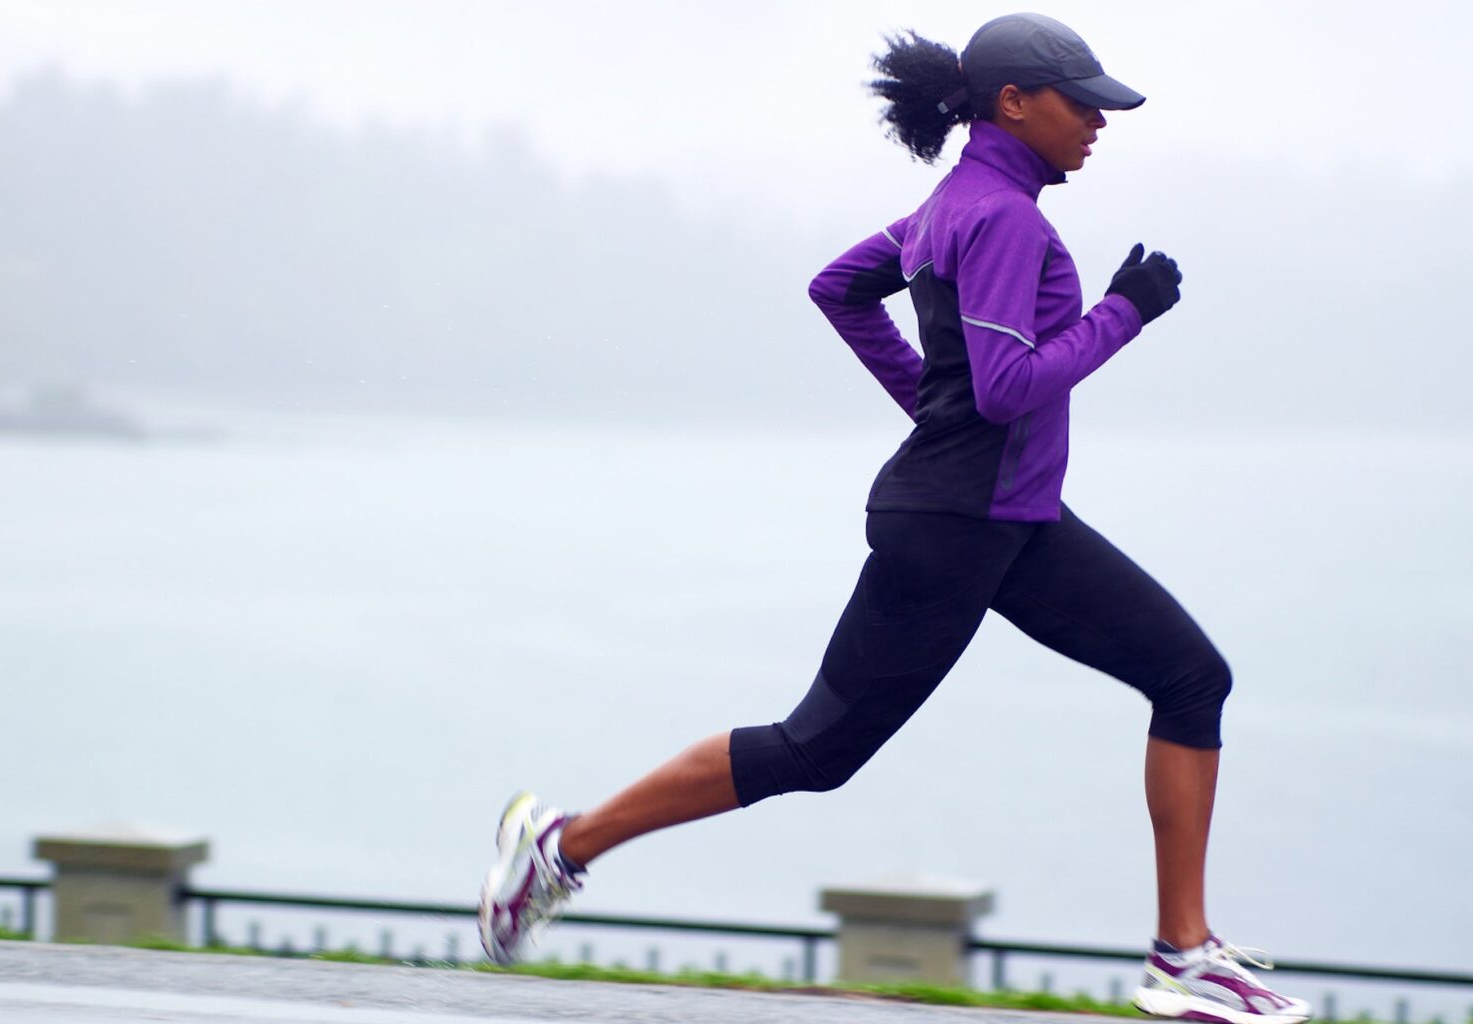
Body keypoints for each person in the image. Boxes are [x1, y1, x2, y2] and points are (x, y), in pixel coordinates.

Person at [479, 14, 1312, 1023]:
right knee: (812, 749)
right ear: (1014, 102)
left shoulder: (950, 206)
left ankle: (1184, 954)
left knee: (1189, 676)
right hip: (959, 525)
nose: (1098, 119)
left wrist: (932, 402)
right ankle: (561, 848)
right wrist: (1123, 311)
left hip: (1010, 519)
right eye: (1079, 100)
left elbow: (842, 290)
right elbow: (1005, 387)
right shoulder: (1003, 219)